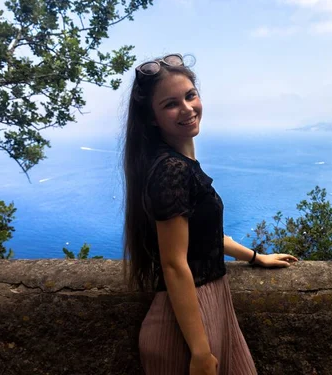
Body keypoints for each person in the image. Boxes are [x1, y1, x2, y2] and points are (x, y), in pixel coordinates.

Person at [122, 53, 298, 375]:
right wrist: (200, 353)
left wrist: (255, 257)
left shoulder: (179, 165)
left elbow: (202, 238)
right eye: (171, 104)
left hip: (212, 306)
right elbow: (174, 264)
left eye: (190, 95)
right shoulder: (172, 170)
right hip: (187, 327)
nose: (187, 109)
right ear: (151, 118)